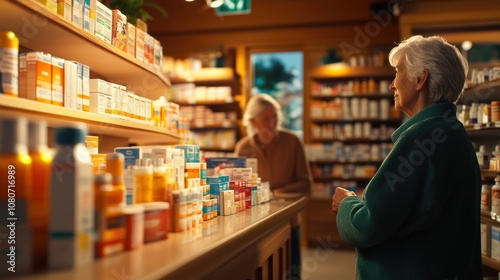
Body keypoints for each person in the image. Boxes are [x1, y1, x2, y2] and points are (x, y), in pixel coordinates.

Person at [331, 35, 482, 279]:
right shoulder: (451, 132)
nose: (392, 85)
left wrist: (346, 204)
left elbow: (367, 226)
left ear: (420, 79)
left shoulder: (423, 140)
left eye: (397, 73)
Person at [234, 93, 312, 279]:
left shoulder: (292, 142)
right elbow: (235, 186)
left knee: (291, 273)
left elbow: (306, 184)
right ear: (253, 121)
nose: (272, 123)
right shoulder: (243, 148)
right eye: (266, 118)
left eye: (275, 116)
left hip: (288, 220)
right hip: (255, 224)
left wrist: (276, 192)